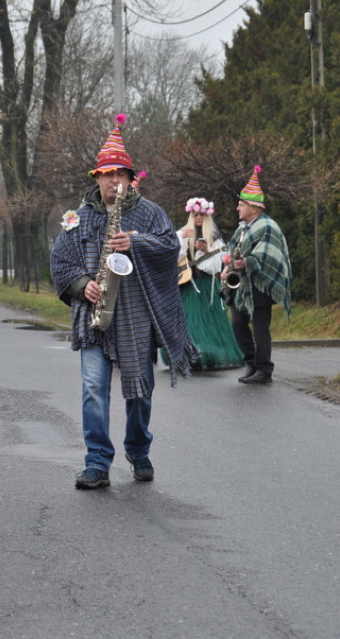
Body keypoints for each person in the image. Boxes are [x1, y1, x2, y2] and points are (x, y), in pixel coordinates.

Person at [50, 114, 197, 489]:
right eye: (107, 174)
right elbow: (60, 262)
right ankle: (97, 463)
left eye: (121, 174)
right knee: (93, 391)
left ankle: (138, 449)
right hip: (93, 319)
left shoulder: (150, 214)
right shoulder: (76, 220)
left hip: (135, 318)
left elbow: (170, 247)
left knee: (140, 390)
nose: (114, 181)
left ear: (131, 179)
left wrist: (137, 241)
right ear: (96, 178)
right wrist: (83, 285)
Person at [221, 165, 292, 385]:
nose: (237, 208)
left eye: (241, 204)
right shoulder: (242, 228)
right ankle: (251, 362)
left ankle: (264, 370)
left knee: (260, 328)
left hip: (261, 283)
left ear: (253, 206)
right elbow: (232, 250)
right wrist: (228, 265)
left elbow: (269, 256)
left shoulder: (268, 227)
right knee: (237, 323)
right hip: (242, 285)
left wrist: (247, 262)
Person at [168, 197, 244, 370]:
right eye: (195, 215)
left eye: (202, 215)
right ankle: (189, 356)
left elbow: (220, 262)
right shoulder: (183, 233)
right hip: (188, 284)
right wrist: (182, 241)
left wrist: (206, 250)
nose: (199, 218)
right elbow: (172, 255)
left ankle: (210, 354)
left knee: (209, 320)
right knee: (190, 320)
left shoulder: (214, 237)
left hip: (206, 283)